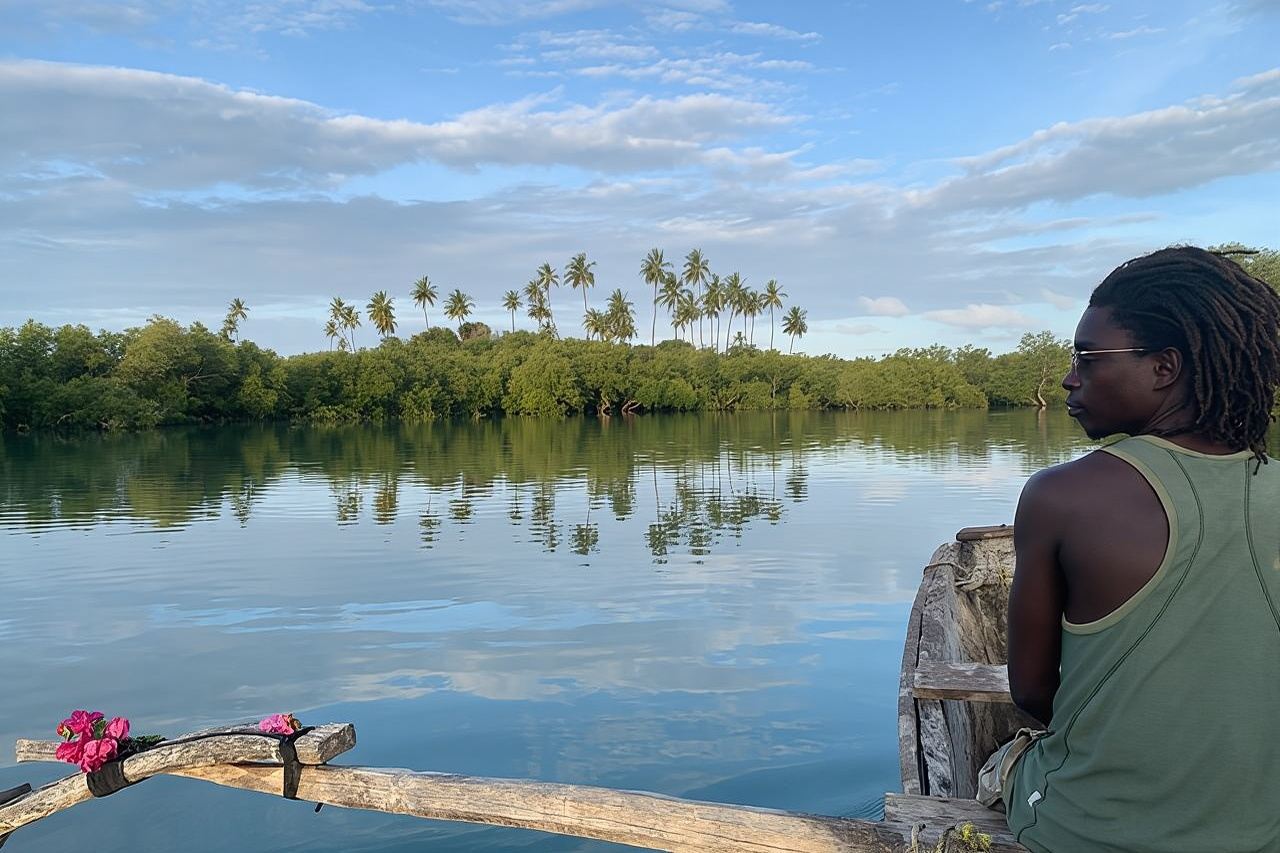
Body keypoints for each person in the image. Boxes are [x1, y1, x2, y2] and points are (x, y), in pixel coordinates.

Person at [992, 246, 1280, 852]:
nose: (1072, 377)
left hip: (1089, 831)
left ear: (1165, 367)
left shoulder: (1060, 496)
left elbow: (1032, 692)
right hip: (1261, 830)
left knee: (1006, 763)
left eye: (1088, 359)